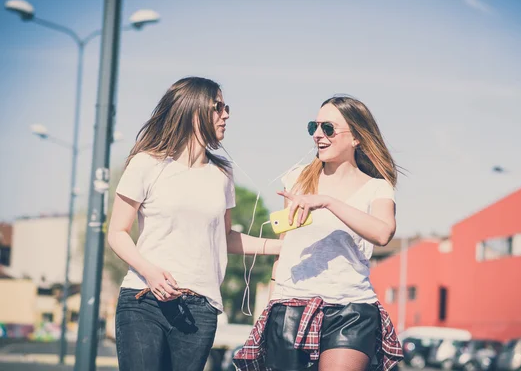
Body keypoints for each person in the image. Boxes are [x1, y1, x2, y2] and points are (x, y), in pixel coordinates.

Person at [108, 77, 282, 371]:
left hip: (201, 308)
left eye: (226, 107)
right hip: (143, 299)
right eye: (218, 107)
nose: (226, 114)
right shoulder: (146, 164)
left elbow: (225, 237)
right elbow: (117, 233)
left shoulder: (222, 174)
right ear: (192, 111)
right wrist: (150, 272)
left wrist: (281, 246)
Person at [234, 95, 404, 371]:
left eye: (328, 128)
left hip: (352, 309)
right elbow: (285, 243)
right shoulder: (297, 178)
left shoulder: (378, 188)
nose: (317, 135)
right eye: (314, 126)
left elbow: (383, 233)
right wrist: (271, 300)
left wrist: (328, 201)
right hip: (290, 304)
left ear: (356, 138)